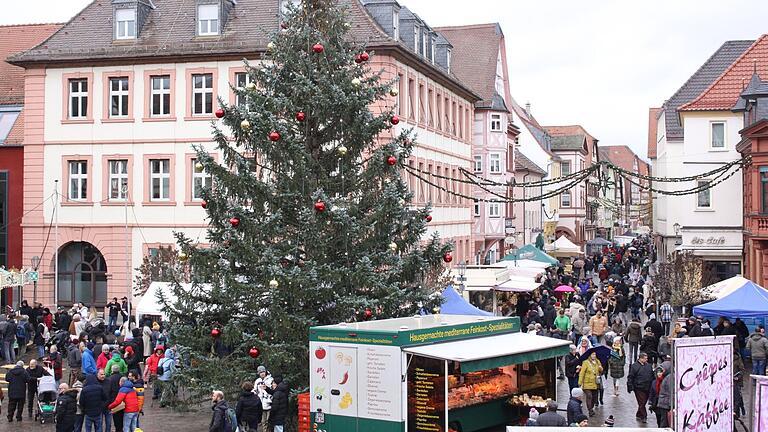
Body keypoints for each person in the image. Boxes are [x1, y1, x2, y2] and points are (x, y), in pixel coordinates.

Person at [627, 352, 654, 423]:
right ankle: (644, 416)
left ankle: (639, 413)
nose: (646, 359)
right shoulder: (634, 366)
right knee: (641, 402)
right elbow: (631, 376)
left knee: (643, 402)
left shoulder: (649, 366)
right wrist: (630, 386)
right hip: (638, 388)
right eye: (645, 358)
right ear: (641, 358)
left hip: (647, 387)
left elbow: (652, 375)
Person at [578, 351, 603, 416]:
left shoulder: (598, 362)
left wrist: (601, 369)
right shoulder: (585, 362)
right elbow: (582, 373)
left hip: (595, 383)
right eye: (592, 354)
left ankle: (591, 407)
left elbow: (601, 371)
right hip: (587, 383)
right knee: (589, 396)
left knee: (594, 398)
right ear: (590, 355)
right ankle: (590, 410)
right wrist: (580, 382)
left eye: (595, 354)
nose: (594, 356)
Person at [254, 366, 273, 432]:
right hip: (261, 404)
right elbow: (255, 390)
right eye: (260, 372)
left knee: (269, 420)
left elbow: (272, 390)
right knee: (263, 421)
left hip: (269, 403)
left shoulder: (270, 379)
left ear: (265, 372)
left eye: (263, 372)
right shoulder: (257, 381)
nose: (262, 373)